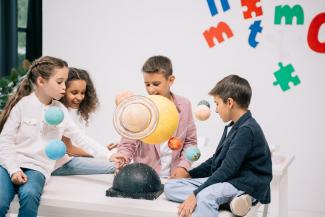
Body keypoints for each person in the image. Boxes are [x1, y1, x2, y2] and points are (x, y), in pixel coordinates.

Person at [0, 56, 112, 217]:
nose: (64, 87)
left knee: (30, 195)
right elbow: (5, 140)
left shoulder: (61, 110)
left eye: (65, 82)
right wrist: (13, 170)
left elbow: (80, 138)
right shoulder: (23, 106)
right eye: (60, 82)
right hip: (9, 164)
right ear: (41, 82)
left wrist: (109, 155)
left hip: (37, 167)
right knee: (1, 200)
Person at [164, 75, 272, 217]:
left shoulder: (246, 130)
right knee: (170, 187)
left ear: (229, 102)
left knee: (205, 196)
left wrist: (195, 194)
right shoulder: (233, 127)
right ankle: (232, 202)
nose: (215, 110)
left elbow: (227, 169)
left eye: (217, 104)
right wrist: (189, 174)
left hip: (244, 184)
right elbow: (216, 160)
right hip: (230, 181)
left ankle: (241, 198)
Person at [111, 55, 197, 178]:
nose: (151, 90)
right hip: (146, 177)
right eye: (147, 84)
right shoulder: (140, 108)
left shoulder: (184, 105)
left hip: (174, 177)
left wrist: (183, 167)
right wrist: (122, 157)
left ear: (171, 80)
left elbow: (190, 142)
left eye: (156, 84)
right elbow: (128, 143)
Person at [51, 67, 115, 176]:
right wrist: (103, 153)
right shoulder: (57, 113)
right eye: (74, 92)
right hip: (58, 166)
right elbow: (69, 149)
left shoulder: (61, 110)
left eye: (83, 92)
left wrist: (102, 151)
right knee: (116, 166)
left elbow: (70, 146)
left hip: (63, 161)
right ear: (62, 90)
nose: (80, 97)